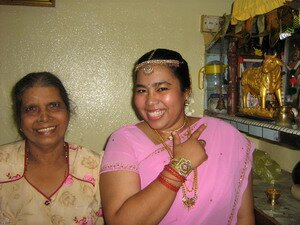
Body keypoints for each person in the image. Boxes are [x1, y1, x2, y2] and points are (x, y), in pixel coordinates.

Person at [100, 49, 255, 225]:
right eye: (142, 90)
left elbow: (244, 217)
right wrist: (180, 166)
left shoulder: (227, 136)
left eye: (162, 88)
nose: (150, 101)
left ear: (186, 91)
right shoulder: (123, 141)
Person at [0, 72, 104, 224]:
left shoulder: (96, 168)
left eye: (54, 106)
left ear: (68, 113)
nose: (44, 117)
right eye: (31, 109)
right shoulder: (2, 164)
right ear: (19, 120)